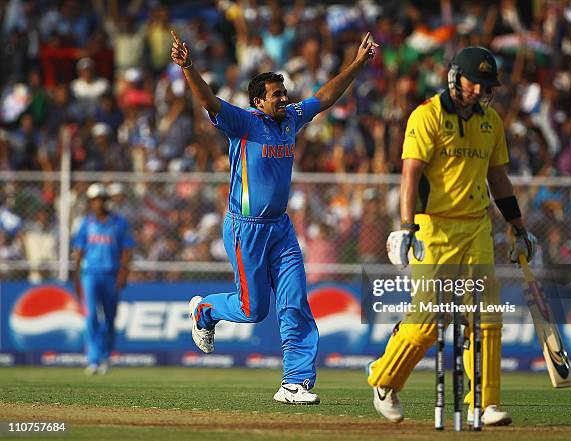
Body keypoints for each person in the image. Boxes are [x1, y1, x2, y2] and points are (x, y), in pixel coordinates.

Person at [170, 29, 378, 404]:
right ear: (257, 101)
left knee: (295, 299)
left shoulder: (290, 119)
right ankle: (205, 310)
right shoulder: (243, 122)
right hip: (245, 230)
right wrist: (188, 67)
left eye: (284, 93)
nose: (284, 98)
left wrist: (358, 64)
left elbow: (325, 97)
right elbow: (208, 100)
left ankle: (294, 382)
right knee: (254, 310)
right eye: (276, 95)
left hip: (280, 228)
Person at [367, 47, 537, 425]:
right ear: (454, 77)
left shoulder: (491, 121)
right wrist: (406, 227)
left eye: (486, 84)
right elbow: (410, 174)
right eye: (472, 82)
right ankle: (384, 380)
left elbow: (498, 179)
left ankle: (484, 403)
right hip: (434, 227)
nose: (478, 90)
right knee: (429, 319)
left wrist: (518, 226)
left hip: (476, 225)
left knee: (486, 315)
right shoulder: (426, 115)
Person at [73, 183, 134, 375]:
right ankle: (93, 359)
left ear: (106, 201)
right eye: (94, 200)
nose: (98, 203)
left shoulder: (118, 223)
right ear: (91, 203)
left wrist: (123, 273)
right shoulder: (86, 224)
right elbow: (79, 252)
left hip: (111, 274)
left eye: (101, 199)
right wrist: (76, 277)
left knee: (109, 318)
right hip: (90, 274)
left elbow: (126, 249)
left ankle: (106, 356)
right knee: (91, 316)